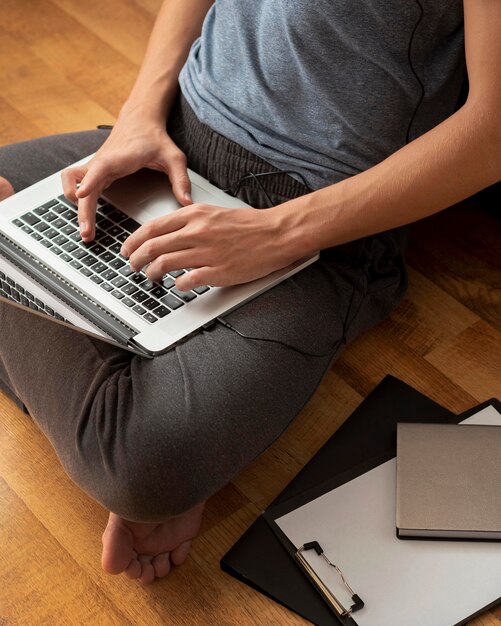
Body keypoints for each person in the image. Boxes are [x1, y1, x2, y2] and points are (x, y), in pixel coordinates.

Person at [0, 0, 499, 585]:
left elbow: (492, 129)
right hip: (173, 145)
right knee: (124, 441)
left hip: (317, 223)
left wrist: (278, 233)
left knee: (141, 467)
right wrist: (140, 114)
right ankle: (120, 355)